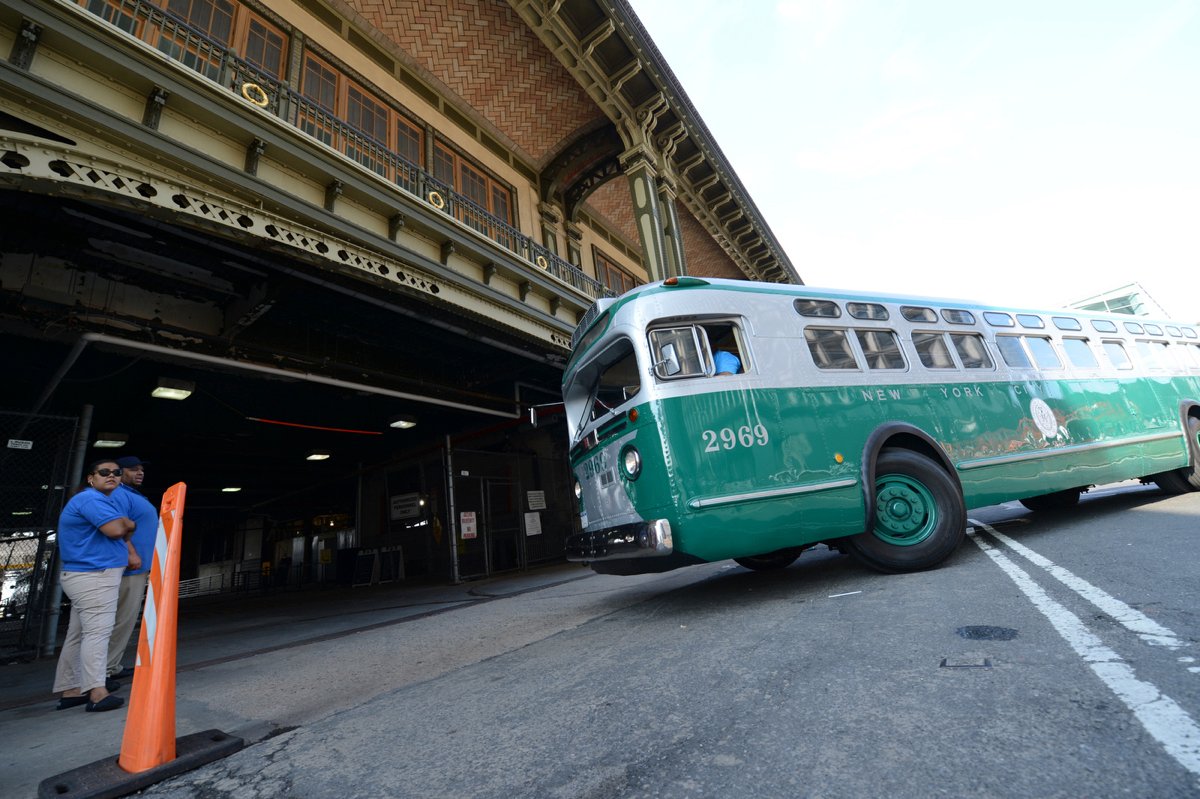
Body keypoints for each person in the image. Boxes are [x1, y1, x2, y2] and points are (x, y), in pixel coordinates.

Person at [52, 459, 136, 713]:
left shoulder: (98, 500)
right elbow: (115, 530)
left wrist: (125, 526)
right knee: (97, 633)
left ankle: (71, 688)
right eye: (104, 472)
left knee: (78, 634)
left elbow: (122, 528)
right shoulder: (90, 499)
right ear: (91, 478)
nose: (111, 475)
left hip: (87, 576)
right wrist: (128, 524)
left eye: (116, 473)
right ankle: (97, 692)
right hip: (94, 576)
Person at [106, 455, 158, 680]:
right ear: (119, 473)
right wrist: (132, 553)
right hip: (128, 567)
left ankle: (112, 665)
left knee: (125, 619)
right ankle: (105, 669)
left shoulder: (131, 494)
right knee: (121, 619)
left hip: (136, 567)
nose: (140, 473)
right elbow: (116, 526)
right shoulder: (119, 494)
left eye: (141, 469)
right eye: (133, 469)